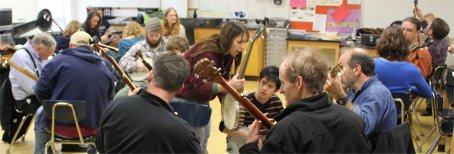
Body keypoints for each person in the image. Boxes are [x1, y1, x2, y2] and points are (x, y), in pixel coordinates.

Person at [239, 48, 371, 153]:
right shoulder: (353, 121)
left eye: (283, 84)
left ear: (299, 82)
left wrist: (250, 145)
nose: (281, 91)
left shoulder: (286, 130)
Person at [96, 53, 201, 153]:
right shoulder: (182, 131)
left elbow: (100, 146)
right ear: (180, 88)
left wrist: (126, 103)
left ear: (150, 76)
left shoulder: (116, 105)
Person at [34, 31, 115, 153]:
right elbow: (110, 99)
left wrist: (52, 103)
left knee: (40, 111)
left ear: (70, 45)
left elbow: (40, 91)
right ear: (91, 47)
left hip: (58, 126)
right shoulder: (105, 67)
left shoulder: (56, 62)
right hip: (93, 129)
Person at [174, 21, 248, 153]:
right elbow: (199, 87)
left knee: (205, 135)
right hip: (184, 98)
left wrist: (230, 105)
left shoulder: (227, 54)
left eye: (244, 42)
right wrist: (227, 86)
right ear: (228, 38)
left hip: (200, 98)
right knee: (196, 139)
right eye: (239, 42)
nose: (242, 46)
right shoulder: (209, 52)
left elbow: (219, 81)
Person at [325, 47, 397, 136]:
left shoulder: (377, 93)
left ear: (356, 70)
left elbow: (363, 128)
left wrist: (341, 97)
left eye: (341, 68)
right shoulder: (353, 90)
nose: (338, 75)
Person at [219, 66, 283, 153]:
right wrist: (250, 136)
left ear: (276, 90)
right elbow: (223, 127)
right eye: (263, 83)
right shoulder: (244, 100)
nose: (264, 88)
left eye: (270, 86)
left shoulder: (276, 102)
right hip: (242, 140)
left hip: (263, 141)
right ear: (258, 81)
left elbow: (282, 125)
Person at [374, 26, 432, 120]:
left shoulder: (370, 65)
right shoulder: (412, 70)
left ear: (380, 44)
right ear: (404, 45)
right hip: (397, 118)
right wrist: (411, 88)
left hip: (373, 115)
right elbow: (428, 93)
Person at [117, 18, 165, 97]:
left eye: (157, 35)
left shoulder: (168, 46)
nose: (154, 38)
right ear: (146, 33)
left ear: (161, 33)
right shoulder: (139, 46)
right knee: (119, 97)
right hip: (141, 82)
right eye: (151, 35)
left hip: (162, 84)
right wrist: (137, 66)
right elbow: (122, 63)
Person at [9, 32, 56, 114]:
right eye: (48, 54)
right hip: (27, 101)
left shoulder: (40, 55)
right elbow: (33, 89)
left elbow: (47, 75)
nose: (49, 57)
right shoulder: (21, 57)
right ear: (38, 49)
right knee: (58, 110)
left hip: (39, 93)